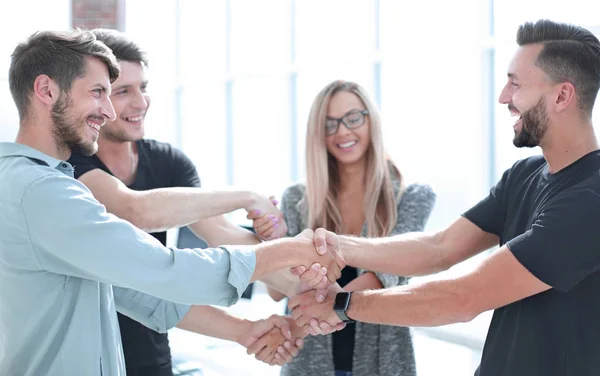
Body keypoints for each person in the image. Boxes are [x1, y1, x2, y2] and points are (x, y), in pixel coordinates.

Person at [0, 29, 343, 376]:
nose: (108, 111)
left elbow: (136, 292)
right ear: (46, 90)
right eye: (99, 92)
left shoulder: (25, 183)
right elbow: (165, 268)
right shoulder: (44, 192)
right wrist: (290, 251)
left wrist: (247, 328)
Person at [288, 19, 600, 376]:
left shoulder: (590, 201)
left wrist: (342, 304)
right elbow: (440, 247)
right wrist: (339, 246)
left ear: (562, 96)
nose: (503, 97)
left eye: (515, 84)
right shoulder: (524, 175)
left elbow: (464, 297)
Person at [66, 28, 298, 376]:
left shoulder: (169, 163)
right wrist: (246, 196)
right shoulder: (70, 166)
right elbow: (136, 210)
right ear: (97, 97)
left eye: (143, 88)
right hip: (85, 362)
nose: (141, 102)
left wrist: (311, 290)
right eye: (123, 91)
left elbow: (220, 232)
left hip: (152, 359)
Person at [251, 80, 436, 376]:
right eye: (330, 124)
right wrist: (271, 241)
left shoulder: (410, 197)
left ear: (370, 120)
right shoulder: (298, 199)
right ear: (318, 134)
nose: (343, 131)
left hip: (383, 364)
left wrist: (302, 324)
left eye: (353, 118)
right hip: (307, 365)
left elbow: (384, 277)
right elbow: (277, 292)